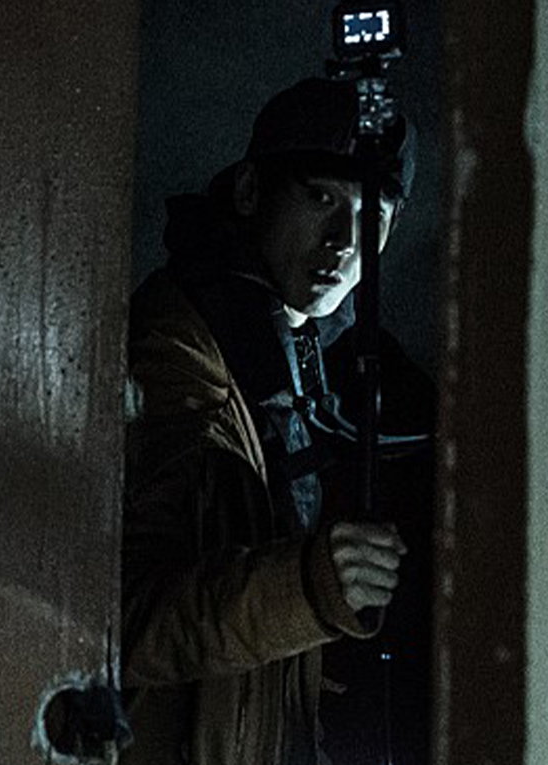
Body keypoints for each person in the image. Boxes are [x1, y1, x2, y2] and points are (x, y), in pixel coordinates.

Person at [121, 77, 435, 765]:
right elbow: (123, 622)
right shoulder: (175, 359)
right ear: (249, 192)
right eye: (321, 199)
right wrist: (310, 587)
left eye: (371, 217)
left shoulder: (294, 356)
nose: (343, 242)